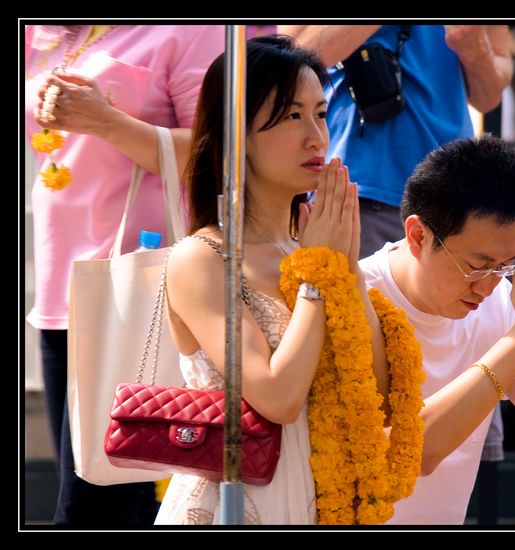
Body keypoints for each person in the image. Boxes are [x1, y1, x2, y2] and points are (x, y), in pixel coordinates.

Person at [153, 35, 390, 525]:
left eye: (321, 114)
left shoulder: (312, 240)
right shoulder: (201, 257)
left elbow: (378, 389)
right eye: (290, 116)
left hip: (325, 496)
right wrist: (321, 270)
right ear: (235, 132)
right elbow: (277, 397)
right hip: (236, 502)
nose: (316, 138)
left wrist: (344, 268)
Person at [24, 24, 225, 526]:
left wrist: (109, 122)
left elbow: (224, 156)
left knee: (92, 506)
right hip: (61, 288)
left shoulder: (188, 32)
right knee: (115, 501)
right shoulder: (51, 33)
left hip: (139, 290)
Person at [360, 134, 515, 524]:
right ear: (418, 236)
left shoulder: (499, 302)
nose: (488, 285)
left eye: (506, 266)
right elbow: (409, 453)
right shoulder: (356, 299)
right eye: (477, 265)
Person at [280, 24, 513, 257]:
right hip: (356, 195)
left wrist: (475, 49)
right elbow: (289, 56)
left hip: (453, 199)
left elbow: (488, 98)